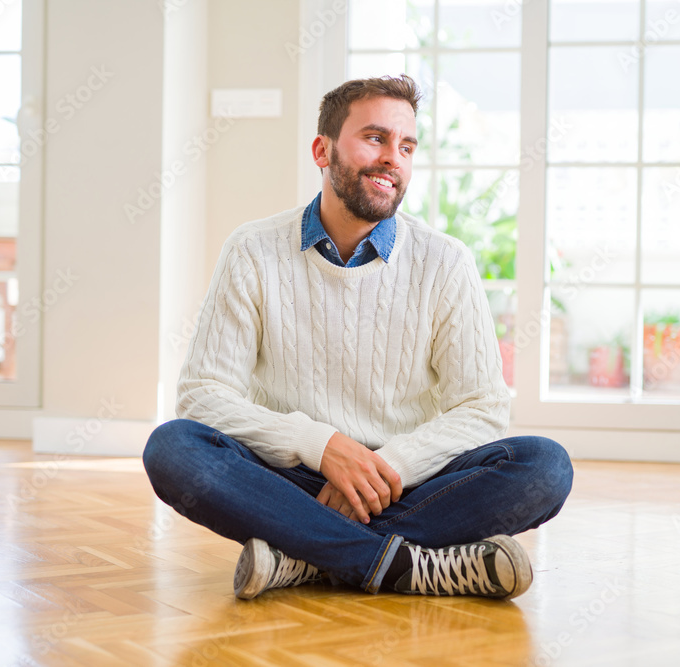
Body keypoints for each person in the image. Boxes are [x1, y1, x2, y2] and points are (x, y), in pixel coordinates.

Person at [142, 74, 573, 601]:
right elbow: (203, 394)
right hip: (294, 480)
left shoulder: (445, 261)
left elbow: (482, 408)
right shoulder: (252, 250)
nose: (394, 157)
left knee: (543, 466)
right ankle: (404, 566)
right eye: (375, 138)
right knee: (173, 448)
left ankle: (303, 557)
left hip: (408, 483)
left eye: (406, 146)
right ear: (323, 150)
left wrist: (388, 464)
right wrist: (320, 446)